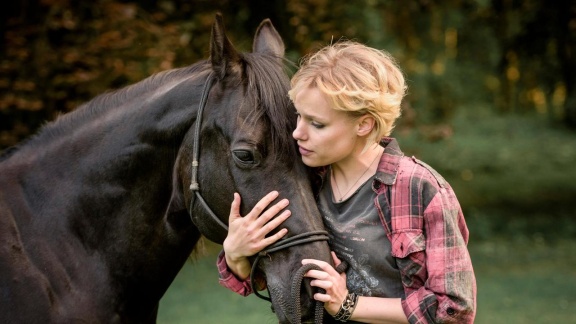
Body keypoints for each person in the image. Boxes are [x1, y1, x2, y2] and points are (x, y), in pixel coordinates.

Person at [217, 41, 476, 323]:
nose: (297, 133)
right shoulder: (306, 182)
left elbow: (454, 310)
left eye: (317, 124)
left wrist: (347, 305)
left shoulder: (419, 189)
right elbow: (273, 281)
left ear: (363, 124)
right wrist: (236, 253)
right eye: (299, 117)